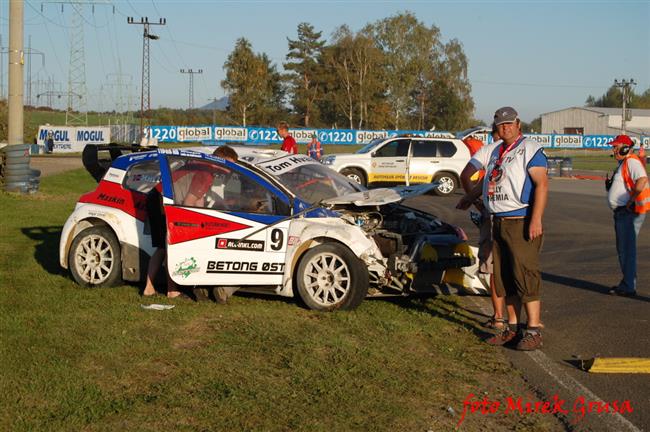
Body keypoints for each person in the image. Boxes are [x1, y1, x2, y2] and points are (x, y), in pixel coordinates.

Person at [459, 106, 548, 351]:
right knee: (504, 277)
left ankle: (533, 328)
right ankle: (512, 327)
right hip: (497, 221)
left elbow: (541, 185)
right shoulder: (497, 151)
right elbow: (490, 179)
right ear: (496, 127)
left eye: (509, 123)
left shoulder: (529, 148)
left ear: (518, 124)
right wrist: (471, 197)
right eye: (501, 124)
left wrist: (536, 219)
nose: (505, 127)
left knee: (525, 275)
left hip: (520, 220)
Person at [143, 146, 239, 300]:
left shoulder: (204, 168)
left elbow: (198, 197)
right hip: (161, 201)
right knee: (168, 247)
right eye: (229, 165)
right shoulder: (205, 174)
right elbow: (189, 202)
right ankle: (171, 291)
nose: (229, 170)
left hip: (158, 197)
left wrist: (203, 216)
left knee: (163, 248)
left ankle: (150, 288)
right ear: (220, 160)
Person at [457, 123, 505, 331]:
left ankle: (500, 316)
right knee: (504, 268)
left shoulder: (493, 153)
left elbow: (466, 176)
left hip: (494, 217)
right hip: (510, 217)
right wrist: (471, 198)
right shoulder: (507, 155)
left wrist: (472, 199)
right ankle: (508, 317)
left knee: (495, 268)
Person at [606, 134, 649, 297]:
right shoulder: (626, 162)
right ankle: (628, 283)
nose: (613, 149)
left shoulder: (631, 161)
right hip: (625, 211)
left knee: (626, 249)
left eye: (616, 146)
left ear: (625, 147)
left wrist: (631, 199)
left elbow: (642, 179)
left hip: (628, 212)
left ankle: (628, 286)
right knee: (625, 249)